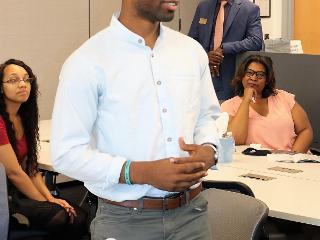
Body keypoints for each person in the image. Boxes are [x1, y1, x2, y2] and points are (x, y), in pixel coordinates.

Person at [51, 0, 221, 239]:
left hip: (192, 216)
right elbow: (66, 153)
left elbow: (207, 116)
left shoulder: (191, 51)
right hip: (125, 221)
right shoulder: (87, 61)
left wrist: (209, 149)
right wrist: (140, 172)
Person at [0, 59, 87, 239]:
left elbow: (31, 168)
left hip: (19, 192)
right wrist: (50, 203)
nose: (22, 84)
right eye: (13, 80)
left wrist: (51, 199)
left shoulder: (25, 118)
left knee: (79, 217)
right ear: (0, 87)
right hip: (4, 198)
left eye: (26, 79)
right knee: (61, 215)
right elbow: (14, 173)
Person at [221, 55, 313, 153]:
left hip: (290, 161)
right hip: (254, 163)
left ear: (267, 80)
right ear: (241, 76)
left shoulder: (283, 97)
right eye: (249, 73)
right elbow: (236, 140)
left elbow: (305, 130)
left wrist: (292, 157)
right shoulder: (228, 106)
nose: (253, 78)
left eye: (260, 75)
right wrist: (246, 101)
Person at [188, 0, 263, 101]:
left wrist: (224, 48)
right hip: (203, 74)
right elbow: (192, 41)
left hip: (230, 77)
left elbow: (255, 41)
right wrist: (205, 56)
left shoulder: (249, 9)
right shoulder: (203, 6)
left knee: (226, 114)